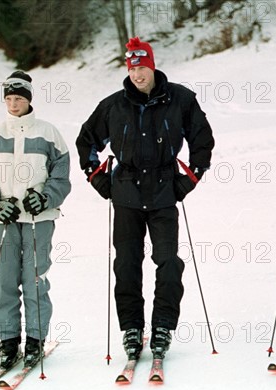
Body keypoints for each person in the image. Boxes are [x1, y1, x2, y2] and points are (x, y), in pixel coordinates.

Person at [76, 37, 214, 360]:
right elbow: (86, 141)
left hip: (165, 191)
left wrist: (189, 178)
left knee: (168, 263)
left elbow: (202, 140)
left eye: (143, 67)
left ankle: (163, 325)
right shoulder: (113, 105)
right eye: (133, 69)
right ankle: (132, 329)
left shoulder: (180, 99)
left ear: (152, 65)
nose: (138, 75)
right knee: (126, 264)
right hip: (125, 194)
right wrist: (99, 179)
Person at [0, 71, 71, 369]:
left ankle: (35, 339)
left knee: (34, 279)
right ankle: (8, 340)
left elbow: (62, 176)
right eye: (8, 99)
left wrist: (45, 198)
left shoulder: (48, 133)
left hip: (38, 220)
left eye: (18, 98)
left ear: (28, 99)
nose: (13, 104)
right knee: (4, 281)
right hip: (3, 222)